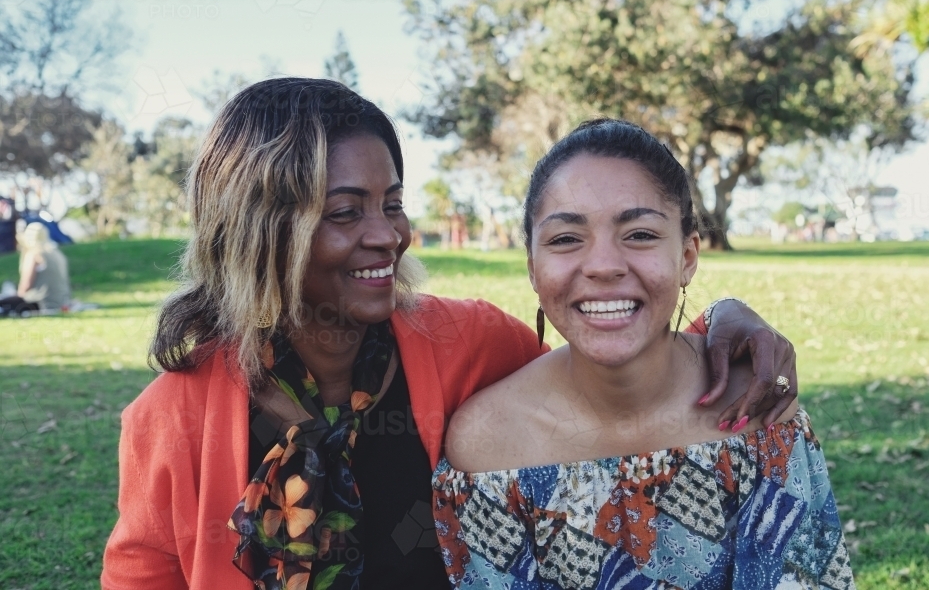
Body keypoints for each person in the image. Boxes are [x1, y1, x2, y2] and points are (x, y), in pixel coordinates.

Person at [101, 79, 798, 590]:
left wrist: (724, 320)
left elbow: (610, 362)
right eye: (347, 212)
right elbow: (140, 576)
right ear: (262, 232)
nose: (389, 235)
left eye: (393, 203)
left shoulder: (465, 345)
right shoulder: (171, 418)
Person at [434, 119, 853, 589]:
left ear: (688, 257)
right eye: (566, 239)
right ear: (533, 268)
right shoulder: (490, 446)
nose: (604, 266)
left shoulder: (757, 410)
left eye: (639, 234)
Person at [0, 222, 71, 317]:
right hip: (61, 302)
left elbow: (25, 286)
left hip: (40, 302)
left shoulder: (34, 254)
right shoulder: (57, 254)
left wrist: (15, 297)